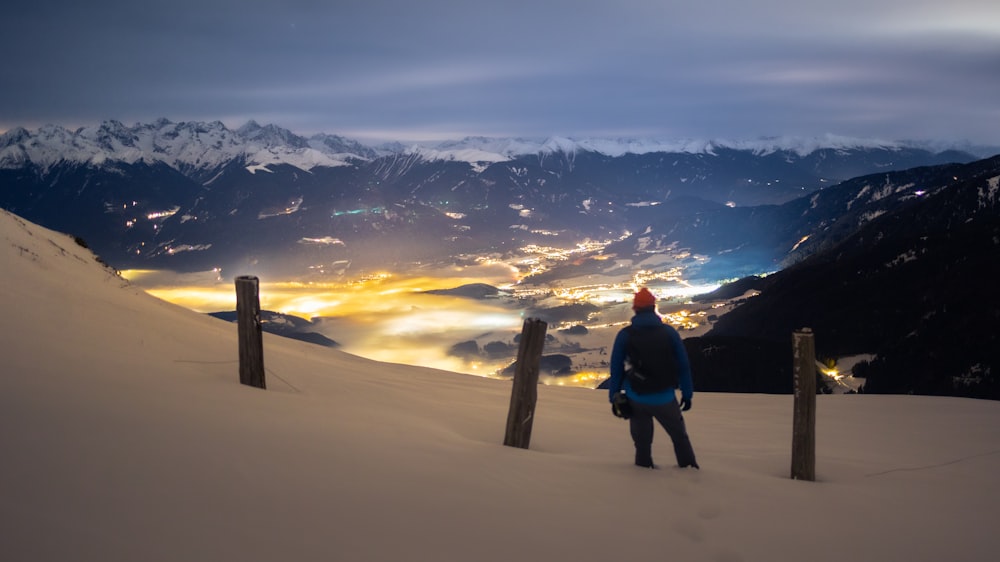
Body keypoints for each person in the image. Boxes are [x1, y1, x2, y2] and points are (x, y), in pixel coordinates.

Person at [608, 288, 699, 469]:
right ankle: (689, 470)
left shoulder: (625, 335)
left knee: (642, 443)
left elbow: (616, 368)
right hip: (665, 397)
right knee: (679, 437)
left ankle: (643, 473)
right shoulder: (669, 333)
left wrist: (614, 396)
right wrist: (687, 394)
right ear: (653, 307)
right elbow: (683, 365)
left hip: (636, 397)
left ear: (635, 309)